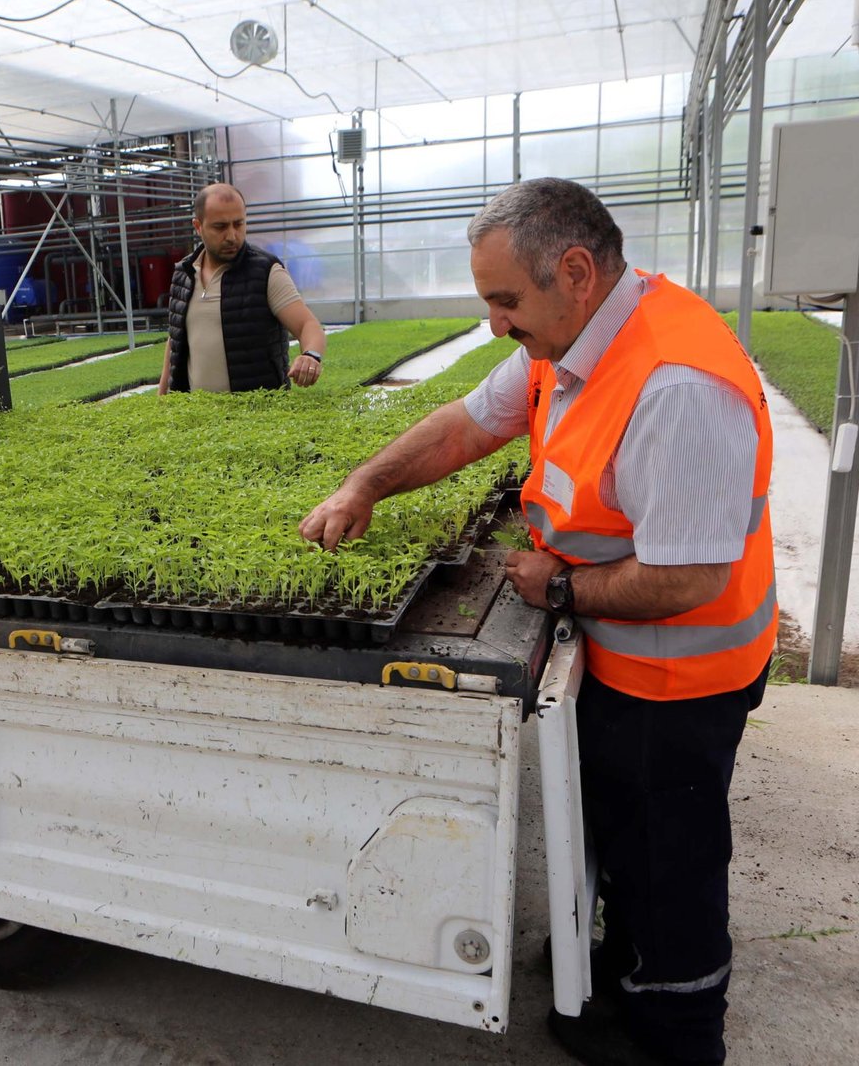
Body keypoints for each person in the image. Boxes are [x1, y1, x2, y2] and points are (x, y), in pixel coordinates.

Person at [299, 178, 775, 1066]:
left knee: (670, 862)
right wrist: (364, 484)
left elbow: (688, 577)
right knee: (624, 837)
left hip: (679, 680)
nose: (494, 324)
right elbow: (467, 425)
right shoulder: (568, 340)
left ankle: (675, 1033)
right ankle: (624, 966)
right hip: (622, 658)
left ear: (576, 272)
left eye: (505, 300)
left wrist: (561, 588)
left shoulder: (676, 385)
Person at [157, 183, 327, 394]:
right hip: (198, 412)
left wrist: (311, 355)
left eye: (238, 224)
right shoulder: (184, 273)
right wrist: (162, 398)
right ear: (198, 226)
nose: (231, 236)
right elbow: (175, 340)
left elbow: (307, 324)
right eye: (220, 227)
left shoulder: (266, 271)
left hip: (256, 410)